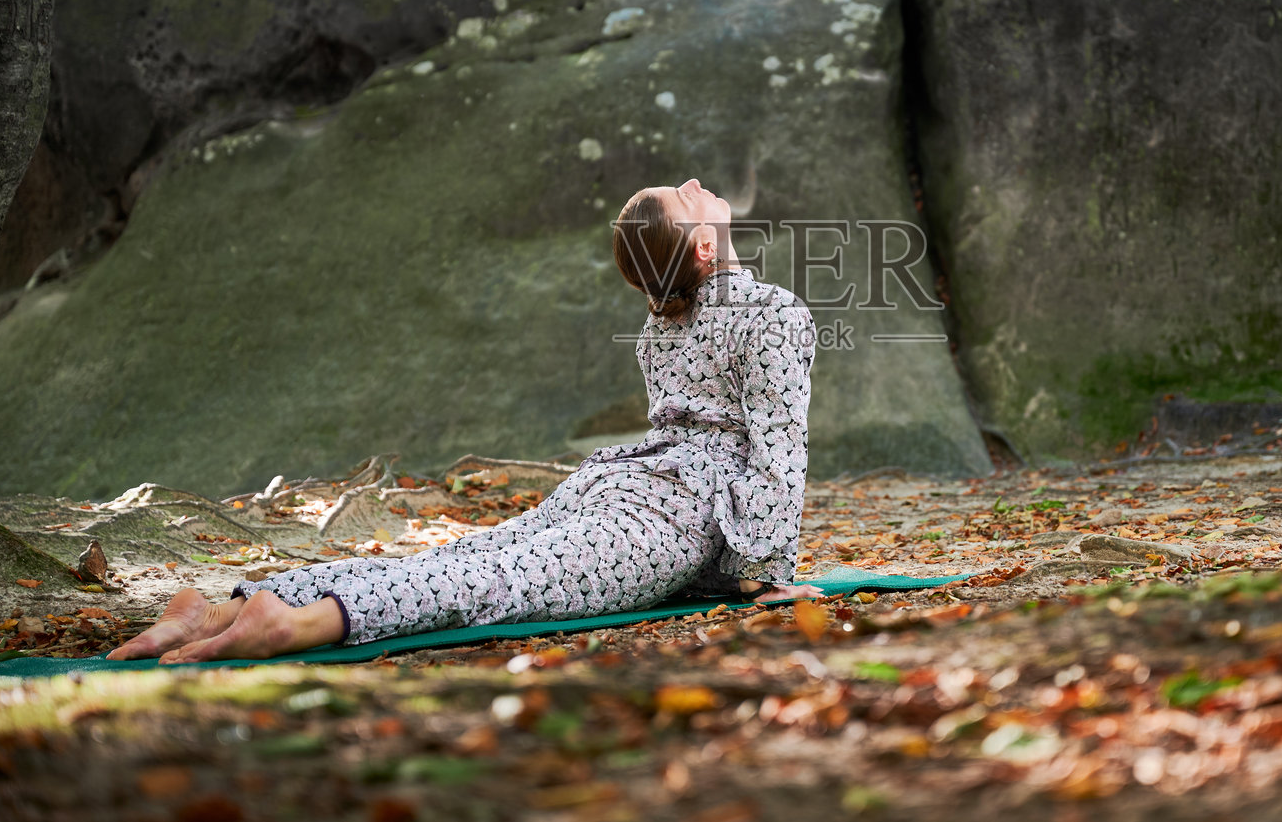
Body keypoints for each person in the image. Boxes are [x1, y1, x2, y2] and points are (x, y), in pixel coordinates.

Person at [109, 178, 824, 663]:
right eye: (688, 197)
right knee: (492, 580)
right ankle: (289, 620)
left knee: (461, 558)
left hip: (621, 488)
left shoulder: (659, 329)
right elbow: (776, 452)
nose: (698, 184)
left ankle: (216, 609)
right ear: (704, 250)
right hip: (664, 511)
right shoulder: (772, 314)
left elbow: (747, 440)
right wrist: (764, 573)